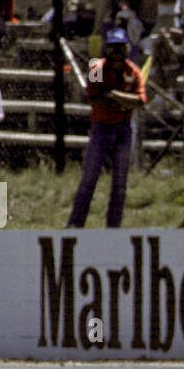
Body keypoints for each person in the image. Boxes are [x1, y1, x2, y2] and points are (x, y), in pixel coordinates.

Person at [65, 27, 145, 228]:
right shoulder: (96, 68)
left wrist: (114, 95)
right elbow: (94, 99)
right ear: (106, 48)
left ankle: (113, 226)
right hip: (101, 128)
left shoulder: (133, 71)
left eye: (120, 47)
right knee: (89, 178)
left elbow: (141, 100)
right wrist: (124, 102)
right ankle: (75, 224)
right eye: (113, 47)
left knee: (120, 182)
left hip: (124, 128)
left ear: (126, 47)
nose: (117, 51)